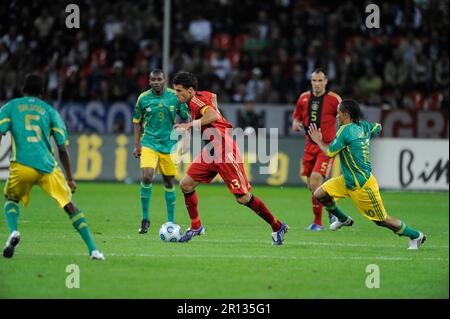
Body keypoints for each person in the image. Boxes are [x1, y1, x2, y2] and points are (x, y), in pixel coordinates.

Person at [172, 71, 288, 244]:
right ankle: (196, 226)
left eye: (179, 91)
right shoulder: (201, 96)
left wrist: (189, 125)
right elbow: (214, 97)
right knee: (186, 184)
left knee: (243, 198)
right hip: (211, 150)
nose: (176, 94)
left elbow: (213, 115)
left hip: (224, 150)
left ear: (190, 90)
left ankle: (277, 226)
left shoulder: (195, 101)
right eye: (175, 90)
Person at [0, 74, 104, 259]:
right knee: (69, 206)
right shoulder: (50, 111)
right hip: (47, 167)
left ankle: (14, 232)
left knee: (11, 198)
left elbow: (1, 132)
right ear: (42, 91)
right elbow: (62, 149)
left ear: (23, 89)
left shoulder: (10, 107)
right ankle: (93, 250)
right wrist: (70, 178)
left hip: (21, 165)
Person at [308, 99, 426, 249]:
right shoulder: (363, 126)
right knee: (319, 194)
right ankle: (343, 219)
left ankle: (416, 236)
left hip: (362, 185)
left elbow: (329, 152)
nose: (336, 116)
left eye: (338, 113)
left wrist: (318, 140)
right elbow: (378, 127)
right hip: (348, 179)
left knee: (382, 220)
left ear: (346, 114)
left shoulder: (345, 131)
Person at [133, 69, 191, 234]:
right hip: (149, 142)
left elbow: (186, 118)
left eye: (159, 79)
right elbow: (137, 121)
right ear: (149, 81)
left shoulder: (175, 97)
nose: (156, 82)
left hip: (169, 145)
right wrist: (137, 145)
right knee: (146, 176)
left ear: (164, 80)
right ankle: (145, 219)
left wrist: (186, 139)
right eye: (153, 80)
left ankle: (170, 221)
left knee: (168, 182)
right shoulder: (143, 99)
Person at [292, 68, 341, 231]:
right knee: (312, 187)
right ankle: (329, 211)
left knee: (315, 180)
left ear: (326, 81)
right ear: (311, 81)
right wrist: (296, 123)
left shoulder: (334, 100)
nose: (317, 84)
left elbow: (345, 119)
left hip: (326, 147)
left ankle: (319, 222)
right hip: (309, 146)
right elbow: (297, 117)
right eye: (314, 80)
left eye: (320, 81)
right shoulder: (304, 98)